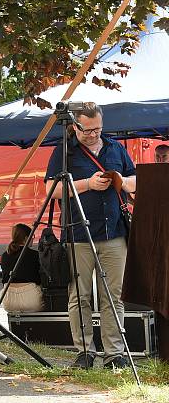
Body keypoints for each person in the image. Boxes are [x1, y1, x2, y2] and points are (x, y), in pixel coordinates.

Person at [45, 102, 136, 370]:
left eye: (98, 129)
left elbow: (135, 180)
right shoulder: (64, 151)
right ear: (75, 126)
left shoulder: (115, 148)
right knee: (80, 296)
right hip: (78, 233)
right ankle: (85, 351)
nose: (94, 134)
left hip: (114, 232)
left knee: (114, 296)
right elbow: (52, 188)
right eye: (88, 130)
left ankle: (114, 354)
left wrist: (121, 180)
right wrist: (87, 184)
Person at [0, 223, 43, 312]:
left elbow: (4, 279)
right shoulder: (34, 255)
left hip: (8, 300)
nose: (32, 239)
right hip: (31, 299)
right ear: (26, 238)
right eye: (32, 236)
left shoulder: (5, 255)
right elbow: (39, 278)